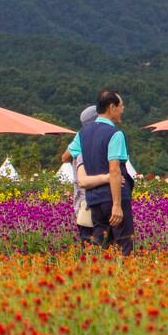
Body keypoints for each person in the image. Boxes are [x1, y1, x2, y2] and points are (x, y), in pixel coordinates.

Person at [67, 89, 135, 255]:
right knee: (124, 246)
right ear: (111, 107)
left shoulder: (82, 134)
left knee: (99, 246)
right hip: (114, 196)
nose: (123, 109)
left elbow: (66, 155)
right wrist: (117, 205)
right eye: (121, 106)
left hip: (94, 199)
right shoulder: (115, 134)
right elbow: (114, 169)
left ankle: (96, 270)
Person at [61, 105, 101, 242]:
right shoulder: (107, 134)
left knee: (88, 239)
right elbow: (65, 157)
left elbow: (65, 157)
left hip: (86, 197)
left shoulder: (81, 136)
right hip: (100, 196)